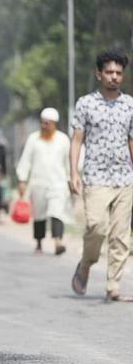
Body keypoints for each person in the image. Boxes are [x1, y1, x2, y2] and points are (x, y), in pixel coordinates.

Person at [70, 49, 133, 302]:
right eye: (109, 72)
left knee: (120, 234)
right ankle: (86, 263)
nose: (114, 77)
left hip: (125, 179)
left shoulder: (130, 105)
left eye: (118, 73)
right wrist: (73, 172)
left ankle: (113, 286)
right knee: (96, 227)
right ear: (99, 74)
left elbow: (132, 141)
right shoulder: (86, 104)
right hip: (95, 177)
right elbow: (76, 141)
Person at [16, 107, 71, 255]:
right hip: (38, 183)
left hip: (57, 183)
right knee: (39, 215)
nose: (44, 126)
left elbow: (68, 163)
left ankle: (58, 241)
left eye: (47, 123)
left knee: (57, 212)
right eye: (42, 123)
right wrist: (22, 179)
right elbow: (26, 160)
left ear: (54, 124)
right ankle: (39, 242)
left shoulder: (63, 140)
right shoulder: (33, 139)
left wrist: (71, 180)